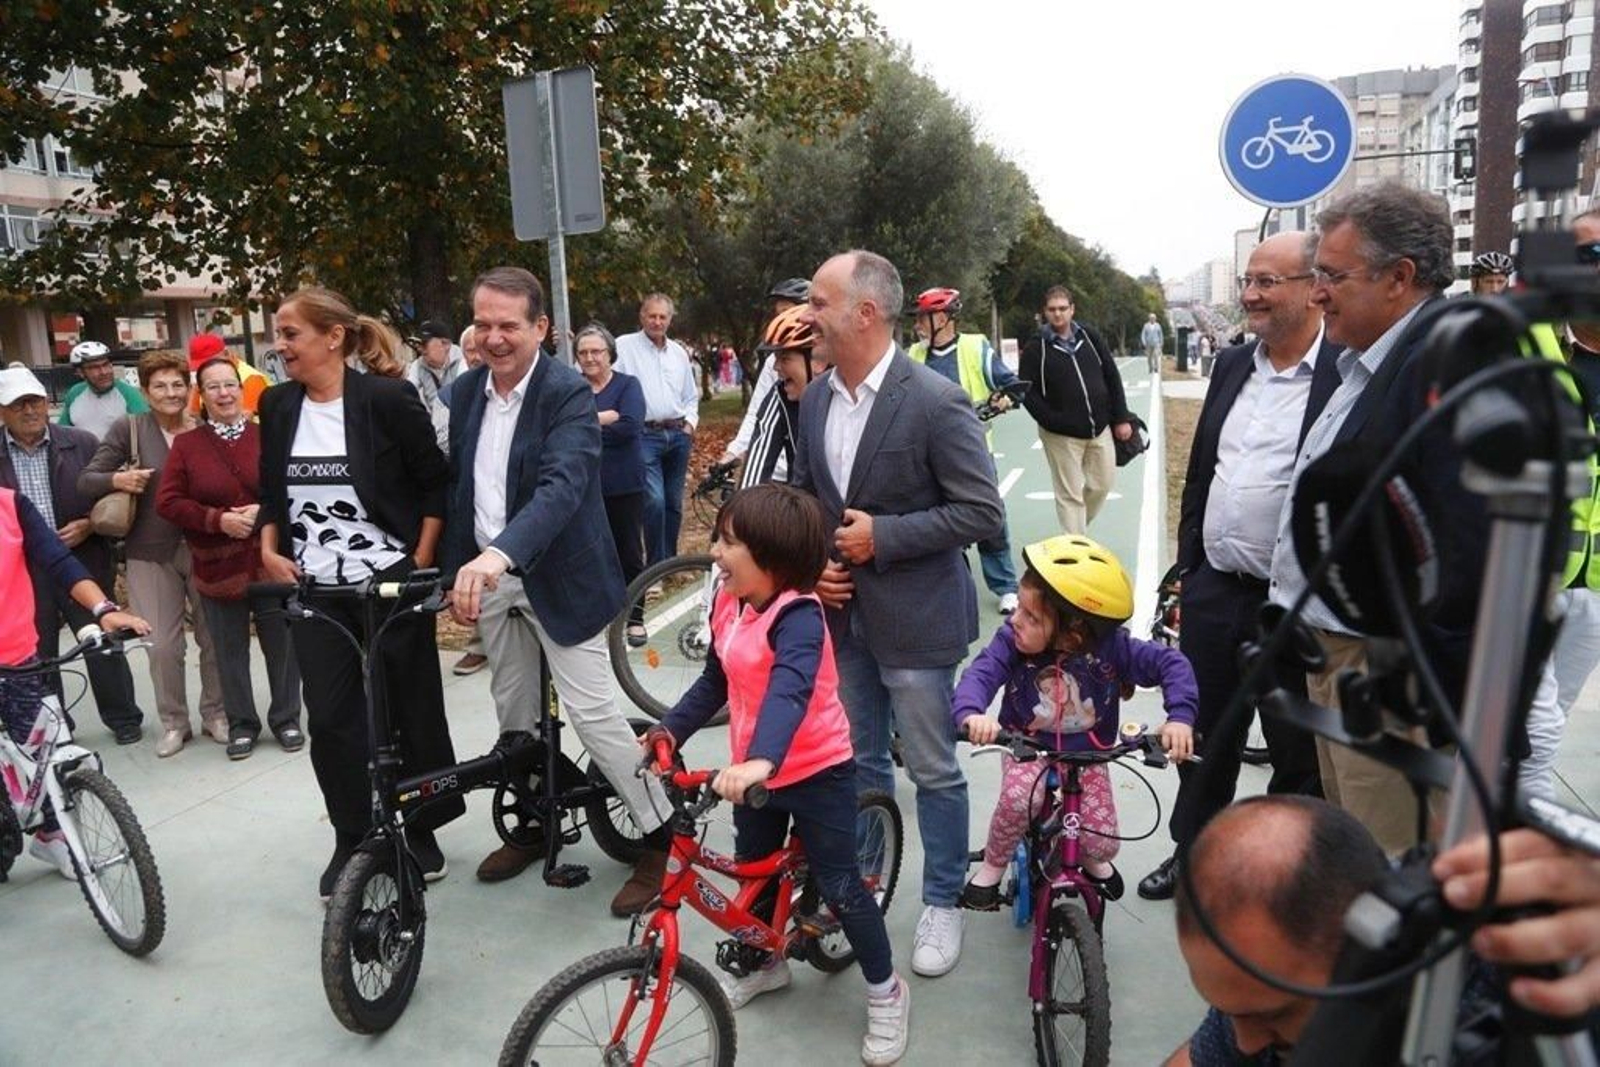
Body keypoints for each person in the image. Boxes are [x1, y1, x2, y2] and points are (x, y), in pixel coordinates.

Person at [792, 249, 1004, 978]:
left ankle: (943, 898)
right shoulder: (817, 396)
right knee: (857, 763)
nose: (806, 316)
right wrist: (816, 558)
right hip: (844, 619)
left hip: (916, 623)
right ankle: (863, 889)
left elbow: (981, 511)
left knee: (936, 768)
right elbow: (808, 498)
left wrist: (884, 537)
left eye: (818, 303)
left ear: (865, 313)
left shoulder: (935, 400)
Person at [646, 483, 910, 1065]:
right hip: (753, 770)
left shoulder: (800, 617)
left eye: (730, 542)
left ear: (771, 558)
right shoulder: (727, 600)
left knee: (842, 884)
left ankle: (887, 990)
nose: (715, 551)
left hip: (816, 769)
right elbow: (716, 679)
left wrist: (763, 759)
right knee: (755, 874)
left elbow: (790, 690)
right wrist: (671, 730)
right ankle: (769, 964)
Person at [443, 267, 671, 913]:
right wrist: (454, 565)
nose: (493, 337)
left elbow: (563, 487)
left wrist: (496, 555)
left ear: (541, 328)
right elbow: (460, 487)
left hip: (559, 576)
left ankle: (661, 835)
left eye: (508, 325)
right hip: (493, 582)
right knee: (513, 717)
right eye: (483, 323)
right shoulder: (464, 394)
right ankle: (537, 821)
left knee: (594, 717)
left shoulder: (567, 394)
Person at [1265, 182, 1463, 855]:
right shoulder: (1368, 362)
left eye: (1331, 274)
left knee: (1389, 866)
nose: (1318, 292)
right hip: (1338, 659)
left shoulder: (1444, 367)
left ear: (1400, 278)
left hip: (1384, 678)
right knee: (1352, 850)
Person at [1138, 232, 1336, 902]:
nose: (1249, 294)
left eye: (1266, 282)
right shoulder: (1231, 366)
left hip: (1296, 605)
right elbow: (1200, 474)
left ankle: (1279, 877)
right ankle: (1192, 854)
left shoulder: (1344, 373)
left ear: (1314, 286)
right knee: (1201, 738)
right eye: (1247, 280)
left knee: (1296, 753)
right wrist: (1188, 568)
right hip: (1217, 589)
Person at [258, 286, 461, 898]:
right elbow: (274, 489)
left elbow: (435, 485)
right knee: (334, 719)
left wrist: (418, 562)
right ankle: (352, 833)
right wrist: (269, 549)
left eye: (290, 334)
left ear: (333, 336)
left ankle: (422, 828)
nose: (280, 345)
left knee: (411, 707)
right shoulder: (277, 405)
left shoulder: (385, 399)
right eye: (279, 333)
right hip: (317, 590)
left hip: (391, 583)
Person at [954, 534, 1196, 908]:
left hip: (1088, 755)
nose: (1015, 619)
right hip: (1026, 748)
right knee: (1021, 801)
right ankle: (994, 863)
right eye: (1018, 607)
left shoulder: (1111, 647)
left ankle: (1085, 856)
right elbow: (983, 673)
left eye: (1031, 616)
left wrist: (1179, 718)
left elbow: (1170, 663)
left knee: (1103, 842)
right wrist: (971, 712)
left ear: (1075, 632)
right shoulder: (1011, 642)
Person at [78, 350, 227, 758]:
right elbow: (86, 480)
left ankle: (215, 713)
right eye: (159, 385)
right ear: (144, 391)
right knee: (161, 645)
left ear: (189, 389)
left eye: (178, 384)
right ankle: (174, 722)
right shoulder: (129, 429)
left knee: (214, 638)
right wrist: (118, 478)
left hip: (206, 548)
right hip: (148, 551)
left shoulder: (206, 429)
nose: (170, 392)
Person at [1165, 795, 1389, 1065]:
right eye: (1229, 1012)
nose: (1245, 1044)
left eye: (1274, 1016)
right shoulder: (1260, 991)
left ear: (1366, 957)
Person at [0, 479, 150, 877]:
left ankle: (53, 834)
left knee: (40, 749)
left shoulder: (11, 506)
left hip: (16, 656)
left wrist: (103, 608)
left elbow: (58, 560)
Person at [159, 355, 303, 761]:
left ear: (242, 390)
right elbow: (168, 502)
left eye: (230, 385)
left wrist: (264, 513)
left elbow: (293, 489)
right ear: (201, 397)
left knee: (282, 644)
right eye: (214, 387)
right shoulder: (187, 446)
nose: (223, 393)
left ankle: (286, 717)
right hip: (217, 565)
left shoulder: (268, 436)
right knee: (229, 650)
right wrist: (217, 520)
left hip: (270, 560)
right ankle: (242, 723)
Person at [0, 365, 145, 744]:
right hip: (25, 571)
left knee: (100, 638)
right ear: (2, 411)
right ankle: (57, 727)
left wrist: (89, 524)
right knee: (41, 650)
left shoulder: (79, 442)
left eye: (34, 401)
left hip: (81, 559)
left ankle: (124, 718)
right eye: (18, 405)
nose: (29, 410)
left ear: (47, 403)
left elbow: (110, 493)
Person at [1519, 211, 1600, 800]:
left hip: (1593, 585)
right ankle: (1519, 851)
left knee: (1550, 717)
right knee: (1537, 731)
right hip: (1523, 574)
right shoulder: (1520, 343)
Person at [908, 286, 1023, 615]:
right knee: (937, 520)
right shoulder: (914, 355)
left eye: (922, 318)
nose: (917, 324)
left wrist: (1004, 399)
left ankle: (1005, 586)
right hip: (927, 454)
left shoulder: (975, 347)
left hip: (973, 451)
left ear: (942, 318)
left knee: (989, 518)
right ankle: (949, 587)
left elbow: (1010, 385)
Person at [1017, 286, 1134, 535]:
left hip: (1099, 428)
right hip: (1061, 435)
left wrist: (1120, 417)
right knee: (1069, 495)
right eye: (1052, 309)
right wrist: (1051, 420)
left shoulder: (1089, 336)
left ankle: (1075, 532)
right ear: (1045, 313)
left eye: (1062, 308)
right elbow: (1025, 389)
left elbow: (1111, 374)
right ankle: (1076, 545)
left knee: (1101, 485)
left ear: (1072, 309)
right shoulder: (1037, 347)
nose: (1058, 314)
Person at [574, 323, 649, 648]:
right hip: (583, 486)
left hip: (624, 485)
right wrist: (604, 417)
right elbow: (563, 429)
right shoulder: (573, 388)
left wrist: (585, 422)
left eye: (596, 351)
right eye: (583, 353)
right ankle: (600, 617)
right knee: (591, 554)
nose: (590, 358)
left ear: (609, 354)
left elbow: (630, 428)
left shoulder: (628, 385)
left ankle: (634, 618)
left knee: (629, 554)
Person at [614, 293, 698, 565]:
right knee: (654, 501)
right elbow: (601, 373)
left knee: (673, 504)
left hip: (677, 435)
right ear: (642, 316)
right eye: (652, 315)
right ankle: (656, 567)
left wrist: (690, 425)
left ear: (670, 320)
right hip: (643, 436)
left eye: (663, 317)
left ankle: (669, 563)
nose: (657, 321)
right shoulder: (623, 347)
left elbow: (690, 395)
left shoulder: (678, 353)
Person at [720, 278, 814, 478]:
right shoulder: (774, 362)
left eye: (787, 313)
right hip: (776, 471)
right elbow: (757, 412)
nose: (780, 320)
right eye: (778, 314)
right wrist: (734, 451)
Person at [736, 304, 826, 491]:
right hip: (805, 510)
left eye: (784, 359)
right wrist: (742, 509)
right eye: (775, 358)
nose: (775, 367)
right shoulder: (781, 396)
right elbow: (757, 463)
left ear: (816, 360)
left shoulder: (847, 395)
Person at [58, 341, 147, 440]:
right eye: (94, 368)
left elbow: (146, 432)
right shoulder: (74, 393)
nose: (104, 372)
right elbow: (62, 433)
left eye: (106, 365)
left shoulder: (128, 393)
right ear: (81, 372)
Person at [404, 319, 465, 450]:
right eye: (418, 344)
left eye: (424, 344)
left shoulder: (463, 360)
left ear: (446, 344)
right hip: (434, 434)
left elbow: (463, 398)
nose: (420, 349)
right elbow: (406, 393)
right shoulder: (418, 365)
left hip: (460, 432)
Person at [184, 333, 270, 418]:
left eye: (212, 363)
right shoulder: (204, 377)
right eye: (200, 366)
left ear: (226, 354)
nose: (207, 368)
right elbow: (191, 416)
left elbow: (242, 421)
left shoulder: (251, 379)